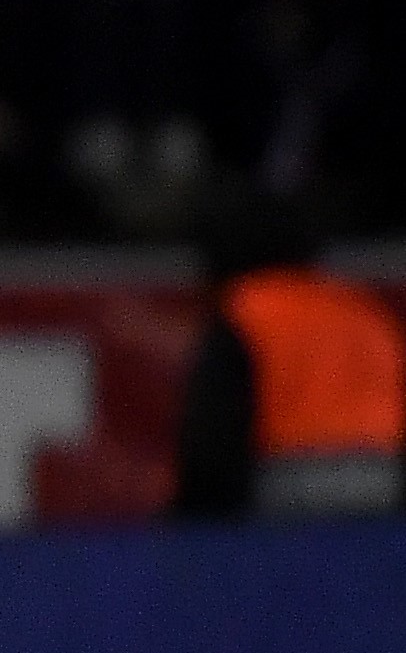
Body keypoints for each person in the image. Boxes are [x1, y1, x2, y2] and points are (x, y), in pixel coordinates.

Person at [172, 193, 405, 521]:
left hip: (286, 486)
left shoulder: (246, 311)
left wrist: (187, 525)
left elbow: (214, 440)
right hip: (384, 484)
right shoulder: (367, 312)